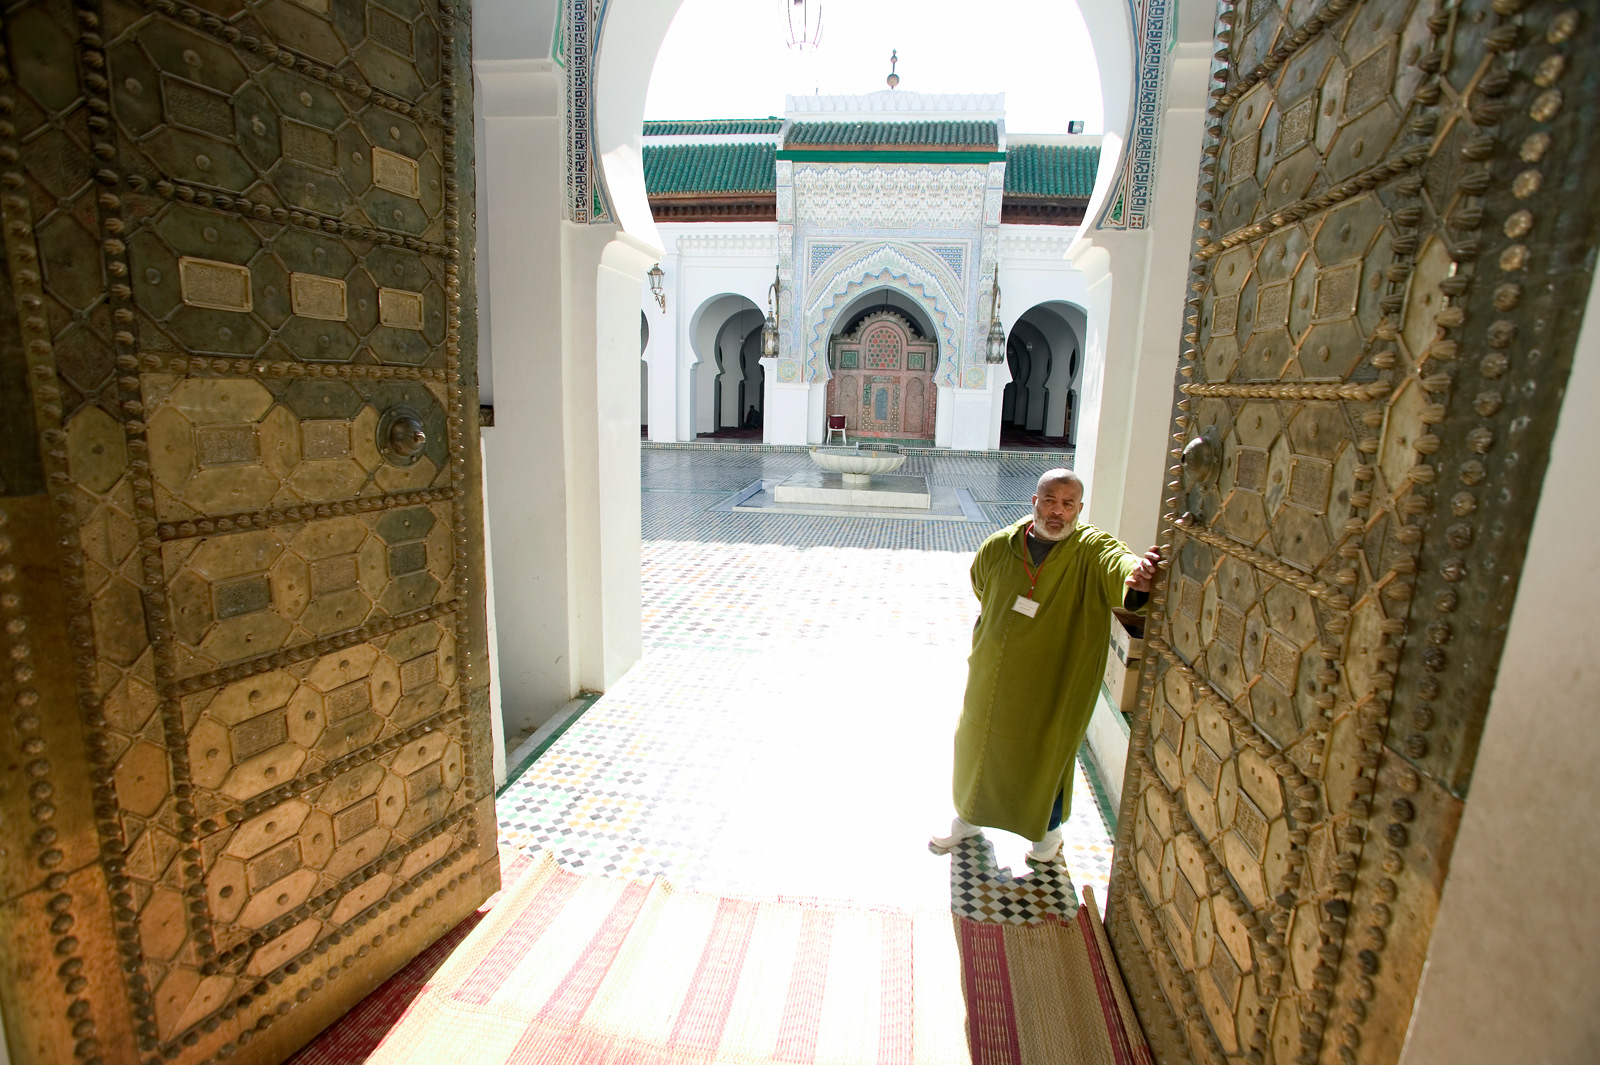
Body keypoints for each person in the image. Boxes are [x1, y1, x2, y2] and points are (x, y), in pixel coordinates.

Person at [931, 468, 1161, 863]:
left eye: (1068, 504)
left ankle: (1048, 834)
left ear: (1079, 509)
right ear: (1034, 501)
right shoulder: (1001, 545)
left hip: (1057, 677)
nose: (1058, 511)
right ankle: (968, 818)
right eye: (1050, 501)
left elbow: (1120, 564)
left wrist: (1136, 578)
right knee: (977, 743)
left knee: (1046, 754)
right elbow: (982, 586)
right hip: (992, 676)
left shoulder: (1092, 550)